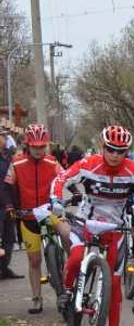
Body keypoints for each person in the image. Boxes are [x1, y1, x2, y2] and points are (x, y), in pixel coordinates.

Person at [53, 125, 134, 326]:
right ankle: (67, 291)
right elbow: (61, 180)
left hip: (115, 228)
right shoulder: (88, 164)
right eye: (111, 149)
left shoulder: (133, 170)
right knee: (76, 259)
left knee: (115, 283)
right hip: (86, 223)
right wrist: (56, 201)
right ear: (103, 147)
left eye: (121, 151)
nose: (115, 155)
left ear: (127, 151)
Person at [2, 125, 73, 314]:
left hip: (48, 212)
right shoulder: (16, 163)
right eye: (36, 147)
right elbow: (6, 188)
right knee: (34, 261)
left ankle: (71, 267)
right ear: (28, 145)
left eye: (43, 146)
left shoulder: (51, 162)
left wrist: (76, 193)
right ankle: (36, 299)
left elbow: (66, 178)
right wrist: (10, 207)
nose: (39, 150)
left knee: (67, 234)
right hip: (27, 215)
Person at [0, 128, 21, 281]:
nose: (4, 139)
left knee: (9, 238)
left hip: (9, 203)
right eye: (2, 136)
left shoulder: (8, 155)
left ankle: (4, 268)